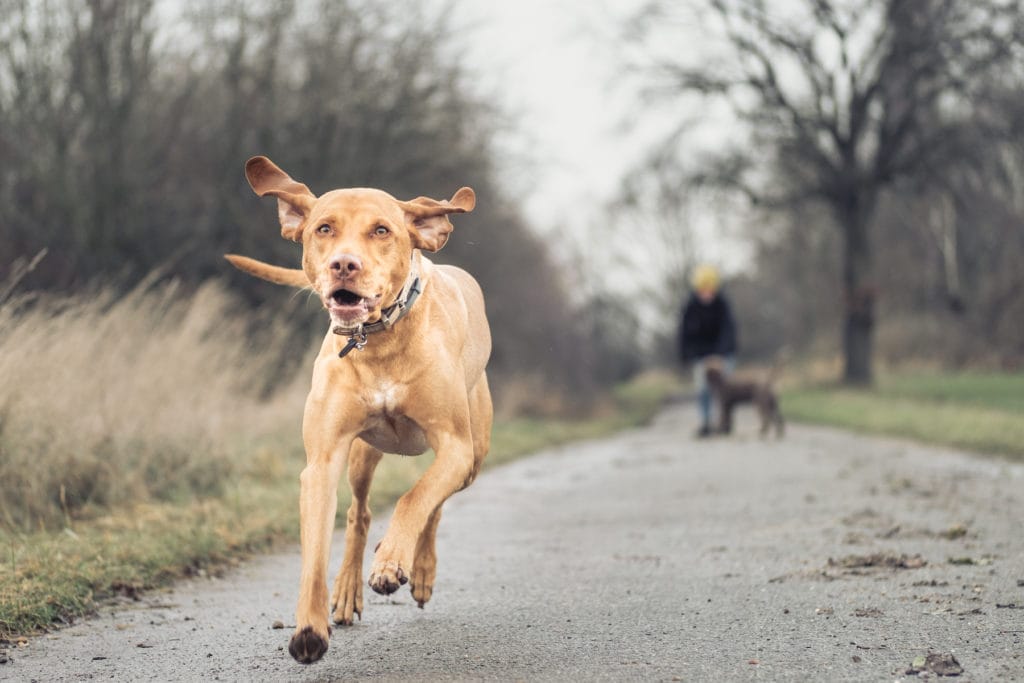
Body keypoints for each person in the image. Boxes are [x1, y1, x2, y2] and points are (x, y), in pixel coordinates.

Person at [678, 264, 738, 437]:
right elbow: (685, 335)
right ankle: (705, 422)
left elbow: (729, 331)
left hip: (722, 353)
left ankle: (725, 422)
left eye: (710, 289)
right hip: (700, 356)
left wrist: (721, 354)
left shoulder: (723, 304)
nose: (707, 293)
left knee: (725, 389)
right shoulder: (690, 306)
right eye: (703, 289)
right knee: (703, 388)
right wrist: (689, 356)